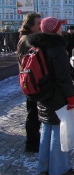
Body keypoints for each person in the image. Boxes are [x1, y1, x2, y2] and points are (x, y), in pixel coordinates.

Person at [26, 16, 74, 175]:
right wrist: (71, 97)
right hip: (56, 95)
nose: (61, 29)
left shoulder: (38, 45)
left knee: (47, 129)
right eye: (59, 26)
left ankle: (44, 167)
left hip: (43, 94)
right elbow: (63, 77)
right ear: (53, 29)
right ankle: (59, 169)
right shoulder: (56, 48)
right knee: (58, 131)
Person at [17, 12, 42, 153]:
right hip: (30, 81)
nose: (40, 26)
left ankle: (33, 141)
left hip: (29, 81)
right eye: (38, 23)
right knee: (32, 113)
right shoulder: (27, 40)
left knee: (33, 112)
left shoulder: (27, 37)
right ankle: (32, 144)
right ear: (30, 24)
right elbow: (30, 64)